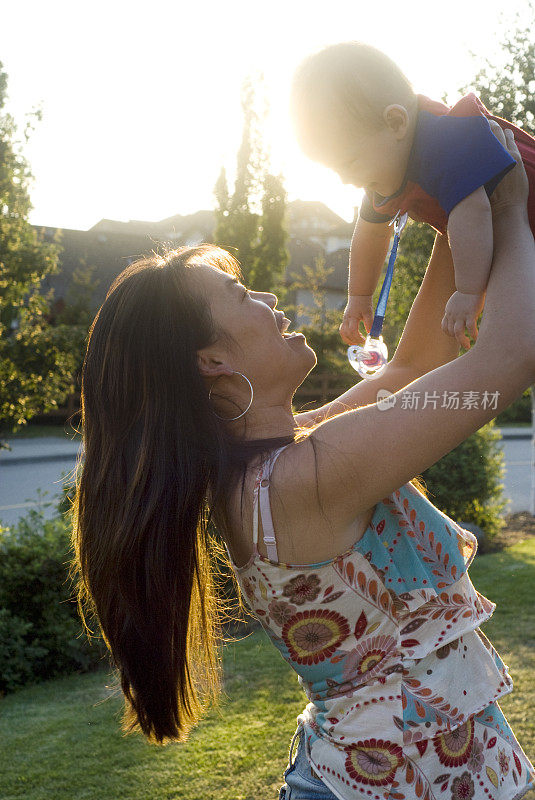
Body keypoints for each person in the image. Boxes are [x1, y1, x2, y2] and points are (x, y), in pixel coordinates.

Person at [70, 126, 535, 800]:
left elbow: (410, 366)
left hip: (393, 772)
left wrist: (454, 190)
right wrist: (507, 201)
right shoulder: (310, 478)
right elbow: (507, 359)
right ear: (213, 363)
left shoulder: (282, 465)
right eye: (241, 298)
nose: (267, 300)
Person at [290, 41, 535, 351]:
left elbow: (472, 210)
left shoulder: (444, 142)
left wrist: (469, 292)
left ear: (396, 122)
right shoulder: (387, 168)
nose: (345, 180)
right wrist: (359, 297)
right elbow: (370, 229)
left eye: (349, 163)